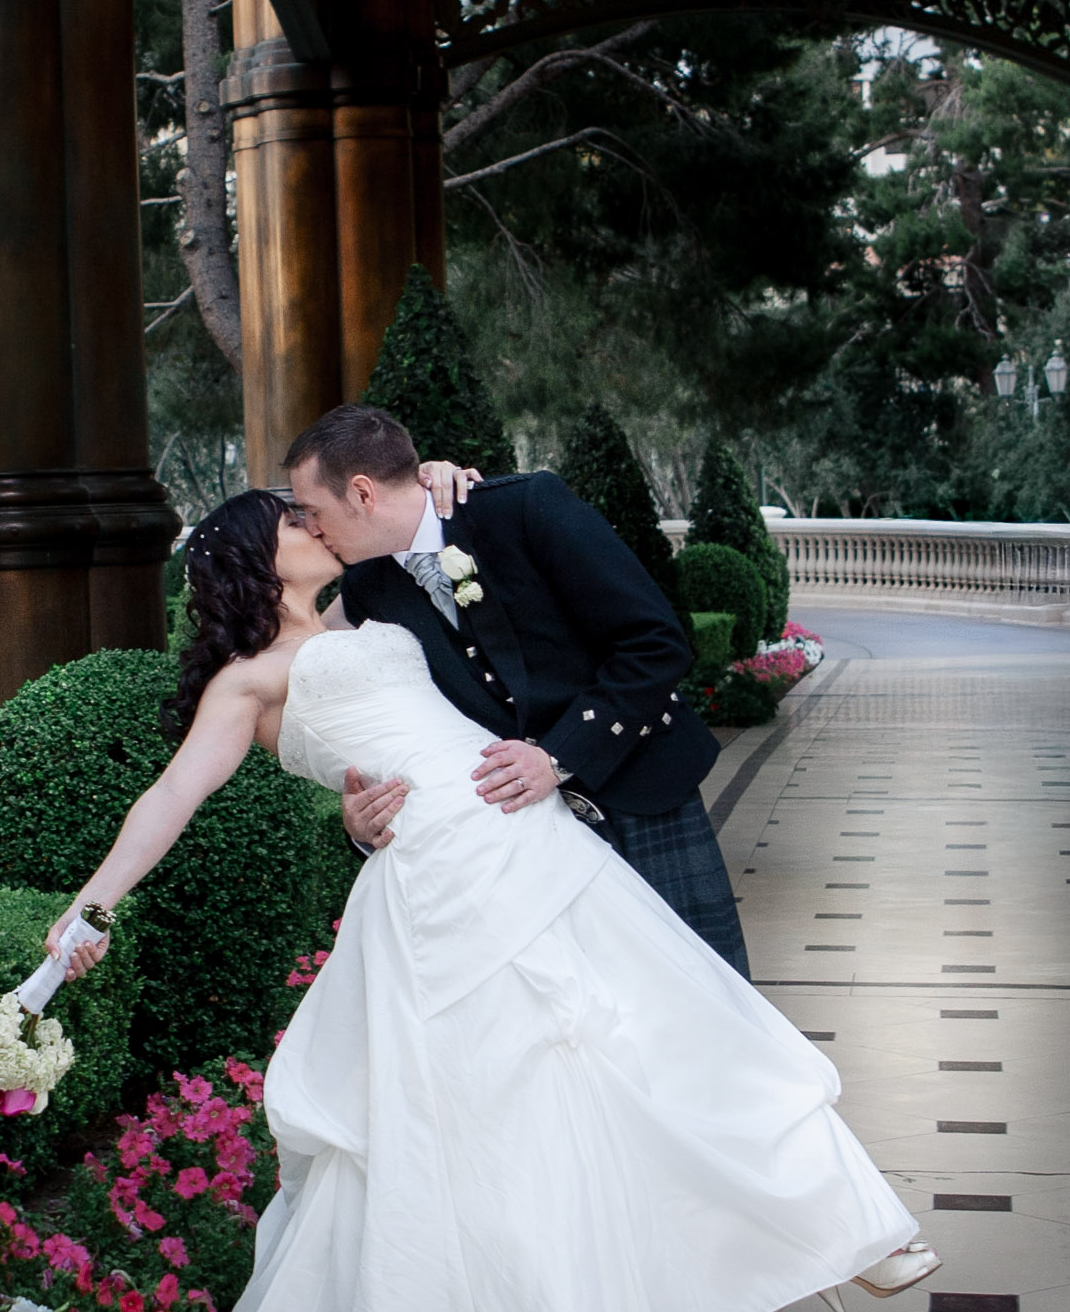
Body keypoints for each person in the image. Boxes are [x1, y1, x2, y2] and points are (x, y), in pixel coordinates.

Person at [47, 486, 938, 1312]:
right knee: (498, 1102)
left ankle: (847, 1227)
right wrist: (89, 905)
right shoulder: (247, 679)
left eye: (316, 512)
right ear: (256, 561)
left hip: (527, 833)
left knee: (668, 1034)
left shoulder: (369, 602)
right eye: (294, 525)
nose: (316, 527)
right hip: (436, 880)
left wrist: (440, 471)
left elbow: (426, 547)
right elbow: (175, 790)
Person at [288, 404, 750, 978]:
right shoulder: (369, 586)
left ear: (362, 493)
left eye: (311, 510)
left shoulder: (522, 508)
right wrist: (366, 820)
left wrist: (558, 757)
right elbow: (320, 669)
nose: (310, 526)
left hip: (639, 791)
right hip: (518, 840)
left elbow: (655, 644)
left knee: (702, 1005)